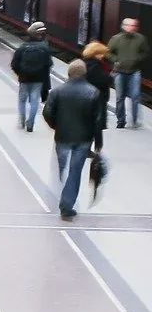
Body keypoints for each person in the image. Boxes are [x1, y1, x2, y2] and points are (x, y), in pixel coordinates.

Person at [43, 60, 105, 221]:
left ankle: (60, 193)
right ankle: (67, 205)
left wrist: (56, 125)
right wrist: (98, 142)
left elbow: (47, 112)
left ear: (68, 73)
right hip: (83, 139)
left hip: (62, 137)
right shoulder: (93, 92)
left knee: (60, 169)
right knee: (75, 172)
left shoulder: (57, 91)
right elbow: (98, 120)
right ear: (85, 74)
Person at [106, 17, 147, 129]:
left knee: (135, 96)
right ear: (123, 26)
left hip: (134, 72)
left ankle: (134, 120)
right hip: (120, 72)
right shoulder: (116, 39)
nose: (132, 27)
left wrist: (137, 59)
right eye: (129, 25)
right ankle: (121, 120)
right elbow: (108, 53)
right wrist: (116, 60)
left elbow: (145, 52)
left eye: (134, 26)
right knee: (120, 97)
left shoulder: (141, 39)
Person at [11, 22, 53, 131]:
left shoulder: (22, 47)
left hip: (24, 78)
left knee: (22, 99)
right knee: (34, 100)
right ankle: (30, 123)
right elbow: (49, 64)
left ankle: (22, 119)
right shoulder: (45, 48)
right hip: (38, 79)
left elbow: (14, 64)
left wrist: (20, 73)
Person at [82, 41, 113, 125]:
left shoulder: (86, 62)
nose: (103, 56)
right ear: (94, 53)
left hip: (89, 96)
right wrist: (111, 76)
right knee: (97, 127)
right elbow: (103, 79)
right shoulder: (94, 65)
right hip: (97, 98)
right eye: (101, 53)